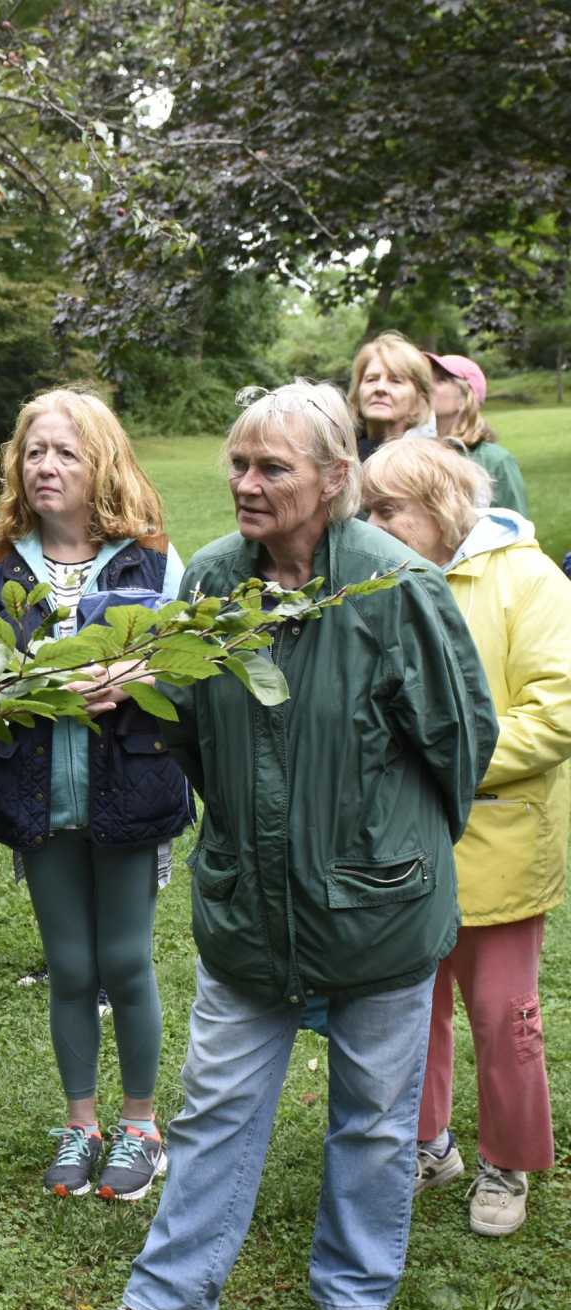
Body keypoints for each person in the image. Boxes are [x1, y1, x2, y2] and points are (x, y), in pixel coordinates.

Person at [72, 381, 495, 1310]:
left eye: (271, 467)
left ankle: (354, 1297)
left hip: (379, 906)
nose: (244, 483)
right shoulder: (214, 581)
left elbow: (458, 742)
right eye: (236, 462)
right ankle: (171, 1300)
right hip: (247, 906)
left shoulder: (394, 587)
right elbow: (182, 725)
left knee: (375, 1114)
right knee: (215, 1102)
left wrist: (386, 846)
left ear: (335, 477)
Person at [0, 389, 190, 1202]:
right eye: (33, 451)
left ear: (103, 464)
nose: (46, 466)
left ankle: (140, 1125)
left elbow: (191, 662)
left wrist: (133, 672)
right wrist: (34, 689)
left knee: (124, 962)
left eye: (66, 452)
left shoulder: (153, 559)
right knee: (68, 966)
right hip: (39, 798)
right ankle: (80, 1121)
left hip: (130, 791)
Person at [363, 438, 569, 1237]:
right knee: (415, 1007)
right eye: (367, 509)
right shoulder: (382, 582)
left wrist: (448, 763)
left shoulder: (527, 579)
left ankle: (506, 1161)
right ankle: (426, 1143)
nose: (373, 524)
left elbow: (556, 710)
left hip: (501, 842)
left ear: (443, 506)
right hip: (405, 844)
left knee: (501, 1011)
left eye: (389, 510)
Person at [428, 353, 529, 515]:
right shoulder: (418, 453)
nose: (427, 387)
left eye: (440, 380)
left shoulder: (496, 460)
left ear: (465, 397)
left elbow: (516, 531)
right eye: (427, 380)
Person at [347, 331, 439, 461]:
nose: (380, 388)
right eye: (371, 379)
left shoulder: (431, 464)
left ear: (420, 400)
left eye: (396, 381)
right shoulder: (339, 458)